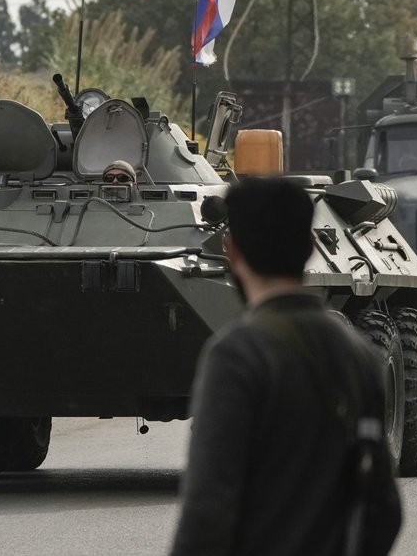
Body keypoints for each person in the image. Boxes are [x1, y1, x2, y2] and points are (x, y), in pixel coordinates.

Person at [169, 177, 401, 556]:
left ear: (231, 251)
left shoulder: (237, 354)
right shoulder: (359, 355)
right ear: (311, 247)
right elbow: (384, 508)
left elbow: (208, 507)